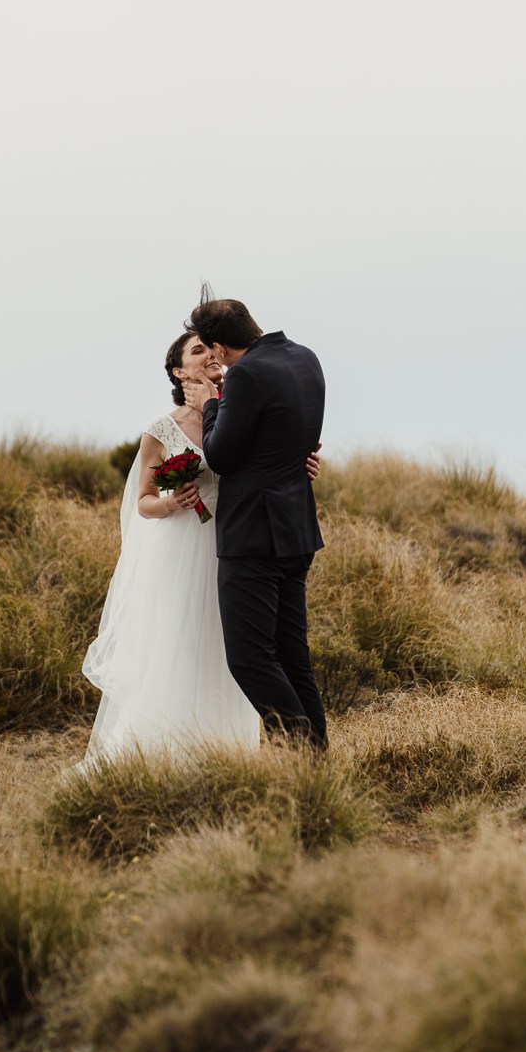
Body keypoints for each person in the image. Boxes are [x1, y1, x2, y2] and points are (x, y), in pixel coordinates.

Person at [77, 329, 321, 767]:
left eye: (210, 348)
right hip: (186, 550)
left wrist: (297, 462)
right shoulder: (161, 430)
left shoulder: (235, 407)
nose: (209, 354)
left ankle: (228, 755)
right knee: (185, 646)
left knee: (235, 654)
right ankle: (164, 757)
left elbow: (262, 461)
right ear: (178, 370)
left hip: (243, 544)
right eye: (196, 350)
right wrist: (172, 501)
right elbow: (144, 503)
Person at [179, 292, 329, 752]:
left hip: (253, 538)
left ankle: (300, 750)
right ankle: (314, 766)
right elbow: (294, 434)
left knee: (249, 660)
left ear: (220, 348)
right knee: (292, 658)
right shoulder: (305, 357)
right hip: (297, 528)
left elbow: (221, 455)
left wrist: (209, 404)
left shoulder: (245, 373)